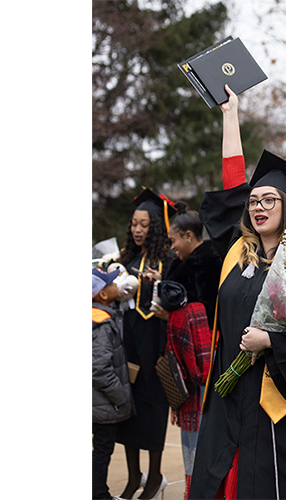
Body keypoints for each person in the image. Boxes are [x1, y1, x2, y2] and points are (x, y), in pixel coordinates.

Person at [189, 84, 286, 500]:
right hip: (231, 394)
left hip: (278, 405)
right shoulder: (237, 254)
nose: (257, 206)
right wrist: (229, 117)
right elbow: (231, 184)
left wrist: (271, 340)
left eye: (268, 200)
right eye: (253, 201)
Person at [149, 203, 221, 500]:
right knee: (192, 435)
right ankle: (195, 489)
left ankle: (203, 491)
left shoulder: (210, 262)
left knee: (202, 434)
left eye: (174, 239)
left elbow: (206, 313)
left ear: (189, 236)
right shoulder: (182, 261)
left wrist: (172, 317)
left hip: (203, 361)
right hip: (184, 361)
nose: (171, 245)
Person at [116, 188, 176, 500]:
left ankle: (154, 477)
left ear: (155, 226)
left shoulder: (168, 258)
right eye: (134, 224)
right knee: (127, 410)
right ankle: (133, 477)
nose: (138, 230)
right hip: (128, 345)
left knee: (152, 411)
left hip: (155, 346)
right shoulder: (125, 257)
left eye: (144, 225)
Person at [93, 268, 134, 500]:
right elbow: (99, 368)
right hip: (103, 404)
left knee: (100, 449)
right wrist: (121, 396)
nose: (116, 284)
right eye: (110, 283)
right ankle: (98, 494)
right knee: (102, 450)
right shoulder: (101, 324)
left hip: (96, 402)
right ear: (103, 295)